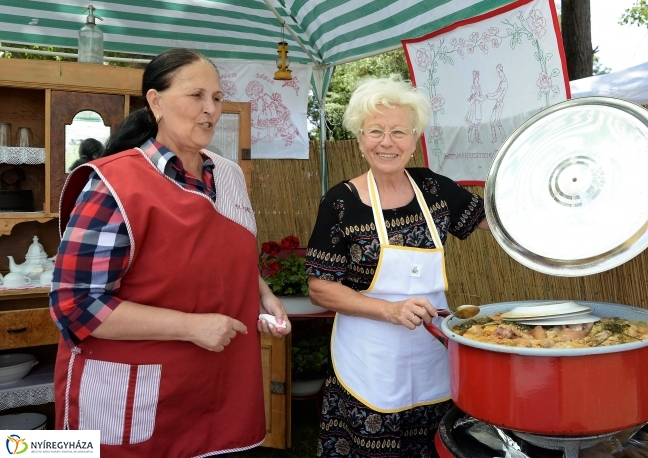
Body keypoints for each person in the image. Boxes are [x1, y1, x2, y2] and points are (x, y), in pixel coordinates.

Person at [49, 48, 291, 457]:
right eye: (196, 95)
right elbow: (75, 305)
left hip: (220, 389)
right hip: (133, 396)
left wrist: (261, 292)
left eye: (217, 97)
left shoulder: (229, 174)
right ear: (155, 102)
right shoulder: (114, 183)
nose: (210, 109)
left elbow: (224, 254)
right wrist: (191, 327)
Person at [306, 75, 490, 457]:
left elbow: (494, 221)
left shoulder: (434, 189)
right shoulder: (340, 203)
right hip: (369, 363)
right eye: (375, 131)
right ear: (360, 141)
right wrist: (389, 310)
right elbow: (320, 288)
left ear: (414, 139)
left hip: (431, 355)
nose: (387, 142)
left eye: (398, 132)